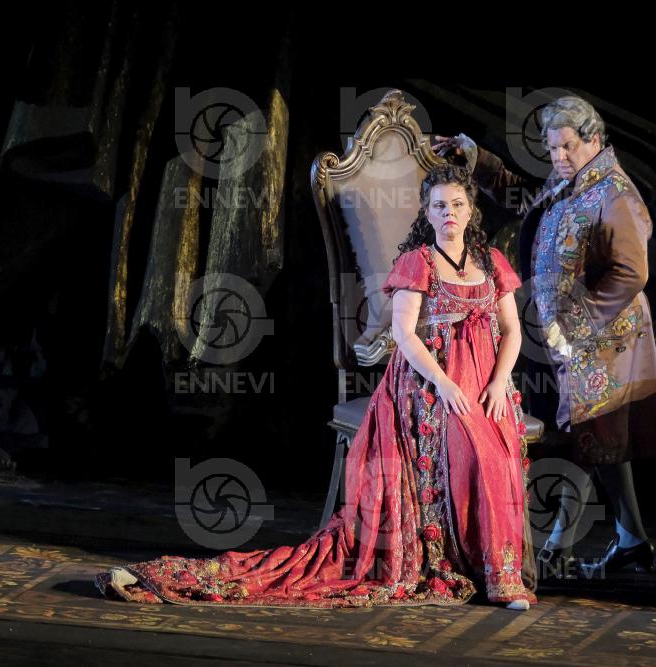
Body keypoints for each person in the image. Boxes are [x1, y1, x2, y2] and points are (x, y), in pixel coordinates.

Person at [95, 165, 538, 610]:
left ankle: (498, 571)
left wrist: (500, 380)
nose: (449, 213)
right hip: (429, 385)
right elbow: (404, 335)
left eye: (457, 204)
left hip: (486, 382)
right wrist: (443, 384)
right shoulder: (418, 263)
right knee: (473, 450)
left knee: (500, 453)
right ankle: (492, 576)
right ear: (426, 211)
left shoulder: (491, 262)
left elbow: (512, 330)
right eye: (439, 206)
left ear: (471, 209)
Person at [433, 94, 656, 579]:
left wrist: (575, 327)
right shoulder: (572, 180)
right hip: (572, 342)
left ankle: (556, 547)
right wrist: (477, 160)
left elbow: (631, 273)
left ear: (594, 140)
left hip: (605, 341)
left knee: (585, 441)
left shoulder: (615, 194)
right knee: (602, 441)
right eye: (553, 149)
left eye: (567, 147)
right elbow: (523, 196)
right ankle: (632, 539)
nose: (558, 157)